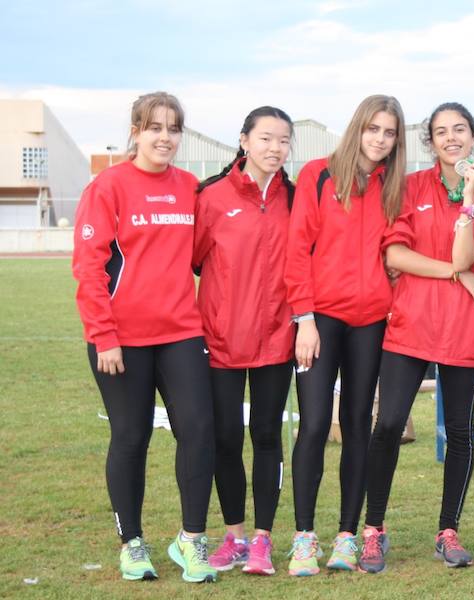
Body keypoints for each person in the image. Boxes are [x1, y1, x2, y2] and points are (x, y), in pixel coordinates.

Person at [72, 92, 217, 583]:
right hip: (121, 340)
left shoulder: (190, 187)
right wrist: (103, 335)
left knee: (198, 430)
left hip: (181, 332)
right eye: (155, 127)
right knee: (131, 436)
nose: (165, 137)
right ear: (135, 131)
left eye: (173, 129)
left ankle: (192, 540)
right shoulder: (108, 187)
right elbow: (89, 268)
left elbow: (201, 256)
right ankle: (132, 543)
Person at [358, 103, 474, 574]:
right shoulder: (410, 187)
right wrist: (456, 275)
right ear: (431, 141)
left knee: (460, 431)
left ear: (473, 136)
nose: (451, 138)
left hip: (463, 328)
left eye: (459, 129)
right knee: (388, 424)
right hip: (411, 324)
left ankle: (448, 530)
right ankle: (373, 530)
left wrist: (470, 198)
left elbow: (466, 256)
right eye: (441, 132)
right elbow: (396, 257)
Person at [284, 94, 406, 576]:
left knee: (357, 424)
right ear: (358, 128)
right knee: (315, 424)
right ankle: (304, 538)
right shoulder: (318, 174)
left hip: (370, 321)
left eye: (389, 132)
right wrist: (304, 318)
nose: (380, 139)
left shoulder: (392, 185)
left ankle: (347, 537)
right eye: (373, 129)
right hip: (320, 320)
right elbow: (297, 248)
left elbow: (395, 251)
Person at [193, 107, 297, 576]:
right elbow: (195, 260)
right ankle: (233, 535)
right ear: (244, 140)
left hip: (277, 338)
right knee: (226, 438)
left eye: (283, 140)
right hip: (221, 339)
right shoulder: (212, 197)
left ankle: (262, 539)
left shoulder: (297, 199)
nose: (275, 148)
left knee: (267, 435)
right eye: (266, 138)